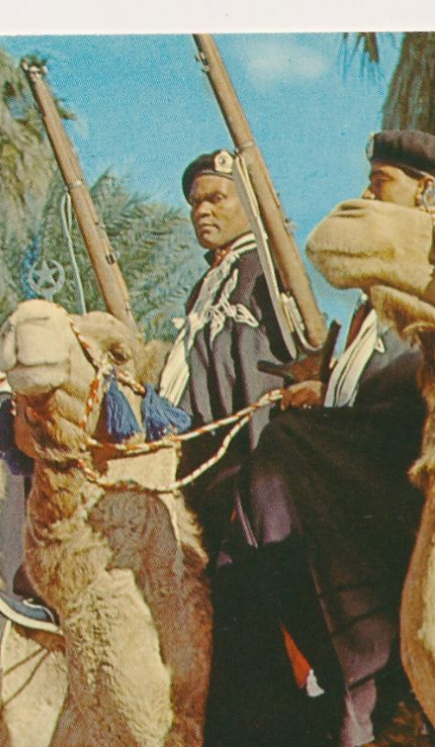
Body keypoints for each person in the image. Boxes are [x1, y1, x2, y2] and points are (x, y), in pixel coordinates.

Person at [201, 130, 435, 747]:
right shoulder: (364, 305)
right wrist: (322, 392)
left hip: (406, 485)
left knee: (280, 455)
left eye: (381, 183)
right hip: (349, 481)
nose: (365, 194)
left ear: (427, 192)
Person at [158, 149, 296, 557]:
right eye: (195, 203)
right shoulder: (206, 286)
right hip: (204, 454)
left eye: (217, 199)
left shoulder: (265, 269)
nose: (202, 211)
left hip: (245, 454)